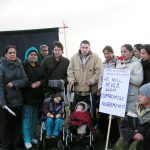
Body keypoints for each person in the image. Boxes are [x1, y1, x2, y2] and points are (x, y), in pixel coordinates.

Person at [67, 40, 103, 123]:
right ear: (80, 47)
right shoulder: (74, 57)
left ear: (89, 48)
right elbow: (70, 71)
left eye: (86, 47)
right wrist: (71, 80)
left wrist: (92, 80)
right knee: (75, 110)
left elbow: (99, 72)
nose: (84, 49)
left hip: (90, 91)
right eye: (83, 47)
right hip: (76, 90)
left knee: (90, 112)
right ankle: (75, 130)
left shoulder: (96, 57)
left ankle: (90, 130)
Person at [0, 45, 28, 150]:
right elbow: (0, 86)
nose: (12, 54)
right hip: (6, 102)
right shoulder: (1, 67)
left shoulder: (19, 65)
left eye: (14, 53)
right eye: (10, 53)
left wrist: (14, 83)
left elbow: (25, 80)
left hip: (18, 100)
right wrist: (2, 102)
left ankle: (15, 144)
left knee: (16, 124)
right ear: (5, 55)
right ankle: (5, 145)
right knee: (5, 125)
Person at [113, 83, 150, 150]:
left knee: (136, 145)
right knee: (121, 141)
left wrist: (142, 136)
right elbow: (124, 126)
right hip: (133, 138)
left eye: (142, 95)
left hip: (146, 143)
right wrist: (132, 134)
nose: (138, 96)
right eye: (139, 94)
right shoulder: (135, 109)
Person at [22, 47, 45, 149]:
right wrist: (30, 84)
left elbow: (45, 78)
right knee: (27, 118)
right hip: (27, 96)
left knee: (34, 118)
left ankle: (31, 137)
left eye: (35, 55)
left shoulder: (39, 66)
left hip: (38, 96)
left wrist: (40, 82)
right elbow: (22, 78)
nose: (33, 56)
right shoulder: (24, 65)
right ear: (27, 55)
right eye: (31, 54)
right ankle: (26, 140)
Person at [116, 44, 143, 112]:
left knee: (131, 120)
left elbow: (139, 81)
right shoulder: (120, 64)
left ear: (131, 52)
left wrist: (125, 74)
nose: (123, 53)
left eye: (125, 51)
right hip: (120, 98)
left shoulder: (137, 64)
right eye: (121, 51)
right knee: (121, 121)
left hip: (131, 99)